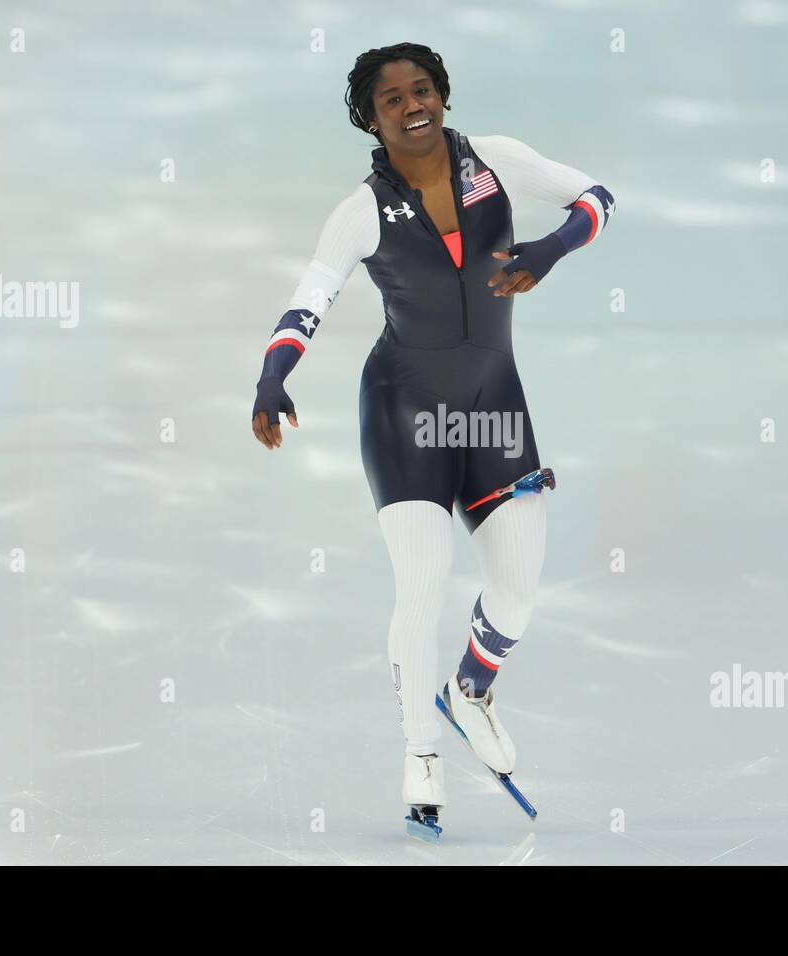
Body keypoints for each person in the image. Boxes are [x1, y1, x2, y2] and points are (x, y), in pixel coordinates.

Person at [251, 42, 614, 825]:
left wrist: (552, 247)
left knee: (515, 592)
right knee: (421, 582)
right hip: (404, 410)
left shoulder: (499, 161)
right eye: (393, 100)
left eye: (424, 91)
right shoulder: (361, 211)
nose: (413, 106)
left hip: (492, 407)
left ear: (443, 95)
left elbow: (597, 198)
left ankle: (470, 692)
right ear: (370, 118)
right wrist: (273, 376)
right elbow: (310, 297)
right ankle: (421, 752)